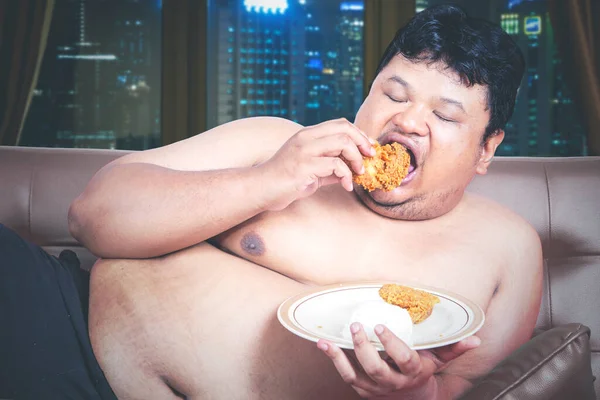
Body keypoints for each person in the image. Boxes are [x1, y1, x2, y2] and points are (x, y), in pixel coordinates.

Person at [0, 5, 542, 400]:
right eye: (393, 95)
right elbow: (92, 214)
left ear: (486, 149)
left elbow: (468, 393)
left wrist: (413, 393)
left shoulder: (508, 250)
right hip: (67, 329)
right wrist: (269, 179)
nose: (407, 121)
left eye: (445, 116)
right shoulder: (275, 141)